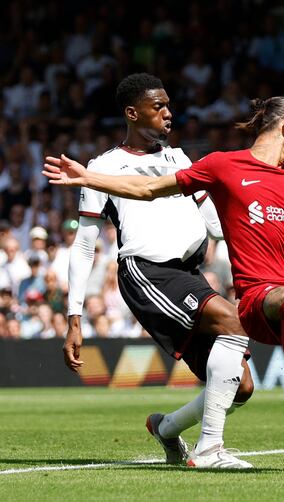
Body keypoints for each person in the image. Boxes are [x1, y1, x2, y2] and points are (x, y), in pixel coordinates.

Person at [44, 96, 284, 475]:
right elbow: (146, 191)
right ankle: (276, 425)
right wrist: (87, 176)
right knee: (267, 312)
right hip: (203, 281)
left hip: (260, 277)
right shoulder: (218, 165)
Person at [59, 74, 257, 469]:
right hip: (146, 272)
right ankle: (210, 450)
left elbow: (217, 224)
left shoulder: (178, 158)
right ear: (133, 113)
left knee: (241, 386)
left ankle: (166, 428)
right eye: (158, 107)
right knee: (234, 321)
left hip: (186, 274)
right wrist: (74, 318)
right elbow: (84, 244)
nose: (169, 113)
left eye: (168, 105)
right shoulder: (103, 167)